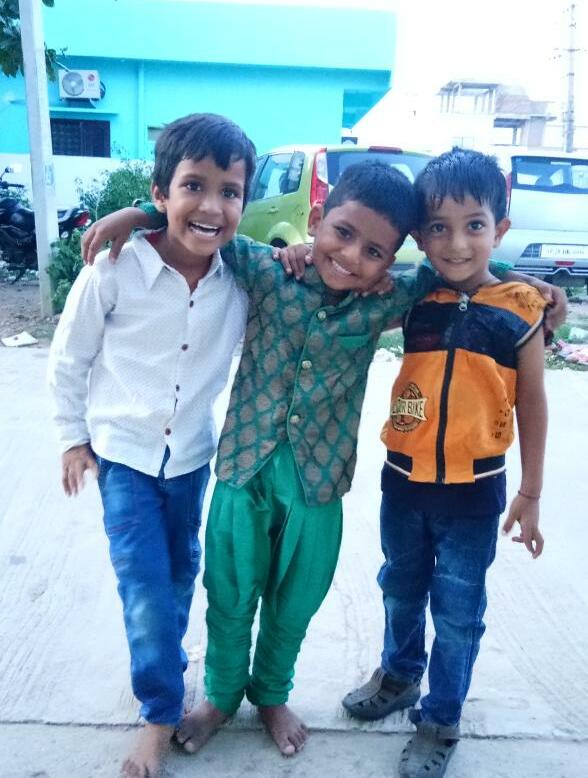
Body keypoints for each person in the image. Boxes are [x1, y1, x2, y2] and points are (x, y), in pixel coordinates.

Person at [80, 157, 564, 762]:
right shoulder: (266, 271)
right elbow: (209, 225)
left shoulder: (390, 297)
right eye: (342, 234)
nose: (353, 257)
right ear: (316, 219)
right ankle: (222, 696)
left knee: (295, 602)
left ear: (394, 258)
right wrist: (139, 214)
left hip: (319, 486)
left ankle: (272, 695)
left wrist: (531, 282)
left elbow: (465, 266)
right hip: (243, 474)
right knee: (229, 595)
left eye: (375, 252)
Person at [47, 112, 257, 778]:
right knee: (142, 584)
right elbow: (69, 359)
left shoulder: (241, 282)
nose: (212, 206)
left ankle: (162, 663)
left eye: (230, 191)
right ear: (161, 193)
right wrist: (72, 439)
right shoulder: (113, 269)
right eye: (194, 186)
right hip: (124, 458)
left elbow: (300, 265)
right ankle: (160, 712)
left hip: (191, 459)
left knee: (177, 575)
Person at [342, 148, 549, 778]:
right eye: (439, 227)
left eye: (474, 225)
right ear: (419, 236)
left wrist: (532, 492)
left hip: (473, 498)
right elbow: (347, 275)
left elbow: (534, 403)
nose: (457, 243)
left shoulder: (521, 309)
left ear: (499, 229)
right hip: (403, 485)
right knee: (399, 588)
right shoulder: (415, 297)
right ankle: (399, 675)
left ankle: (440, 718)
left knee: (458, 613)